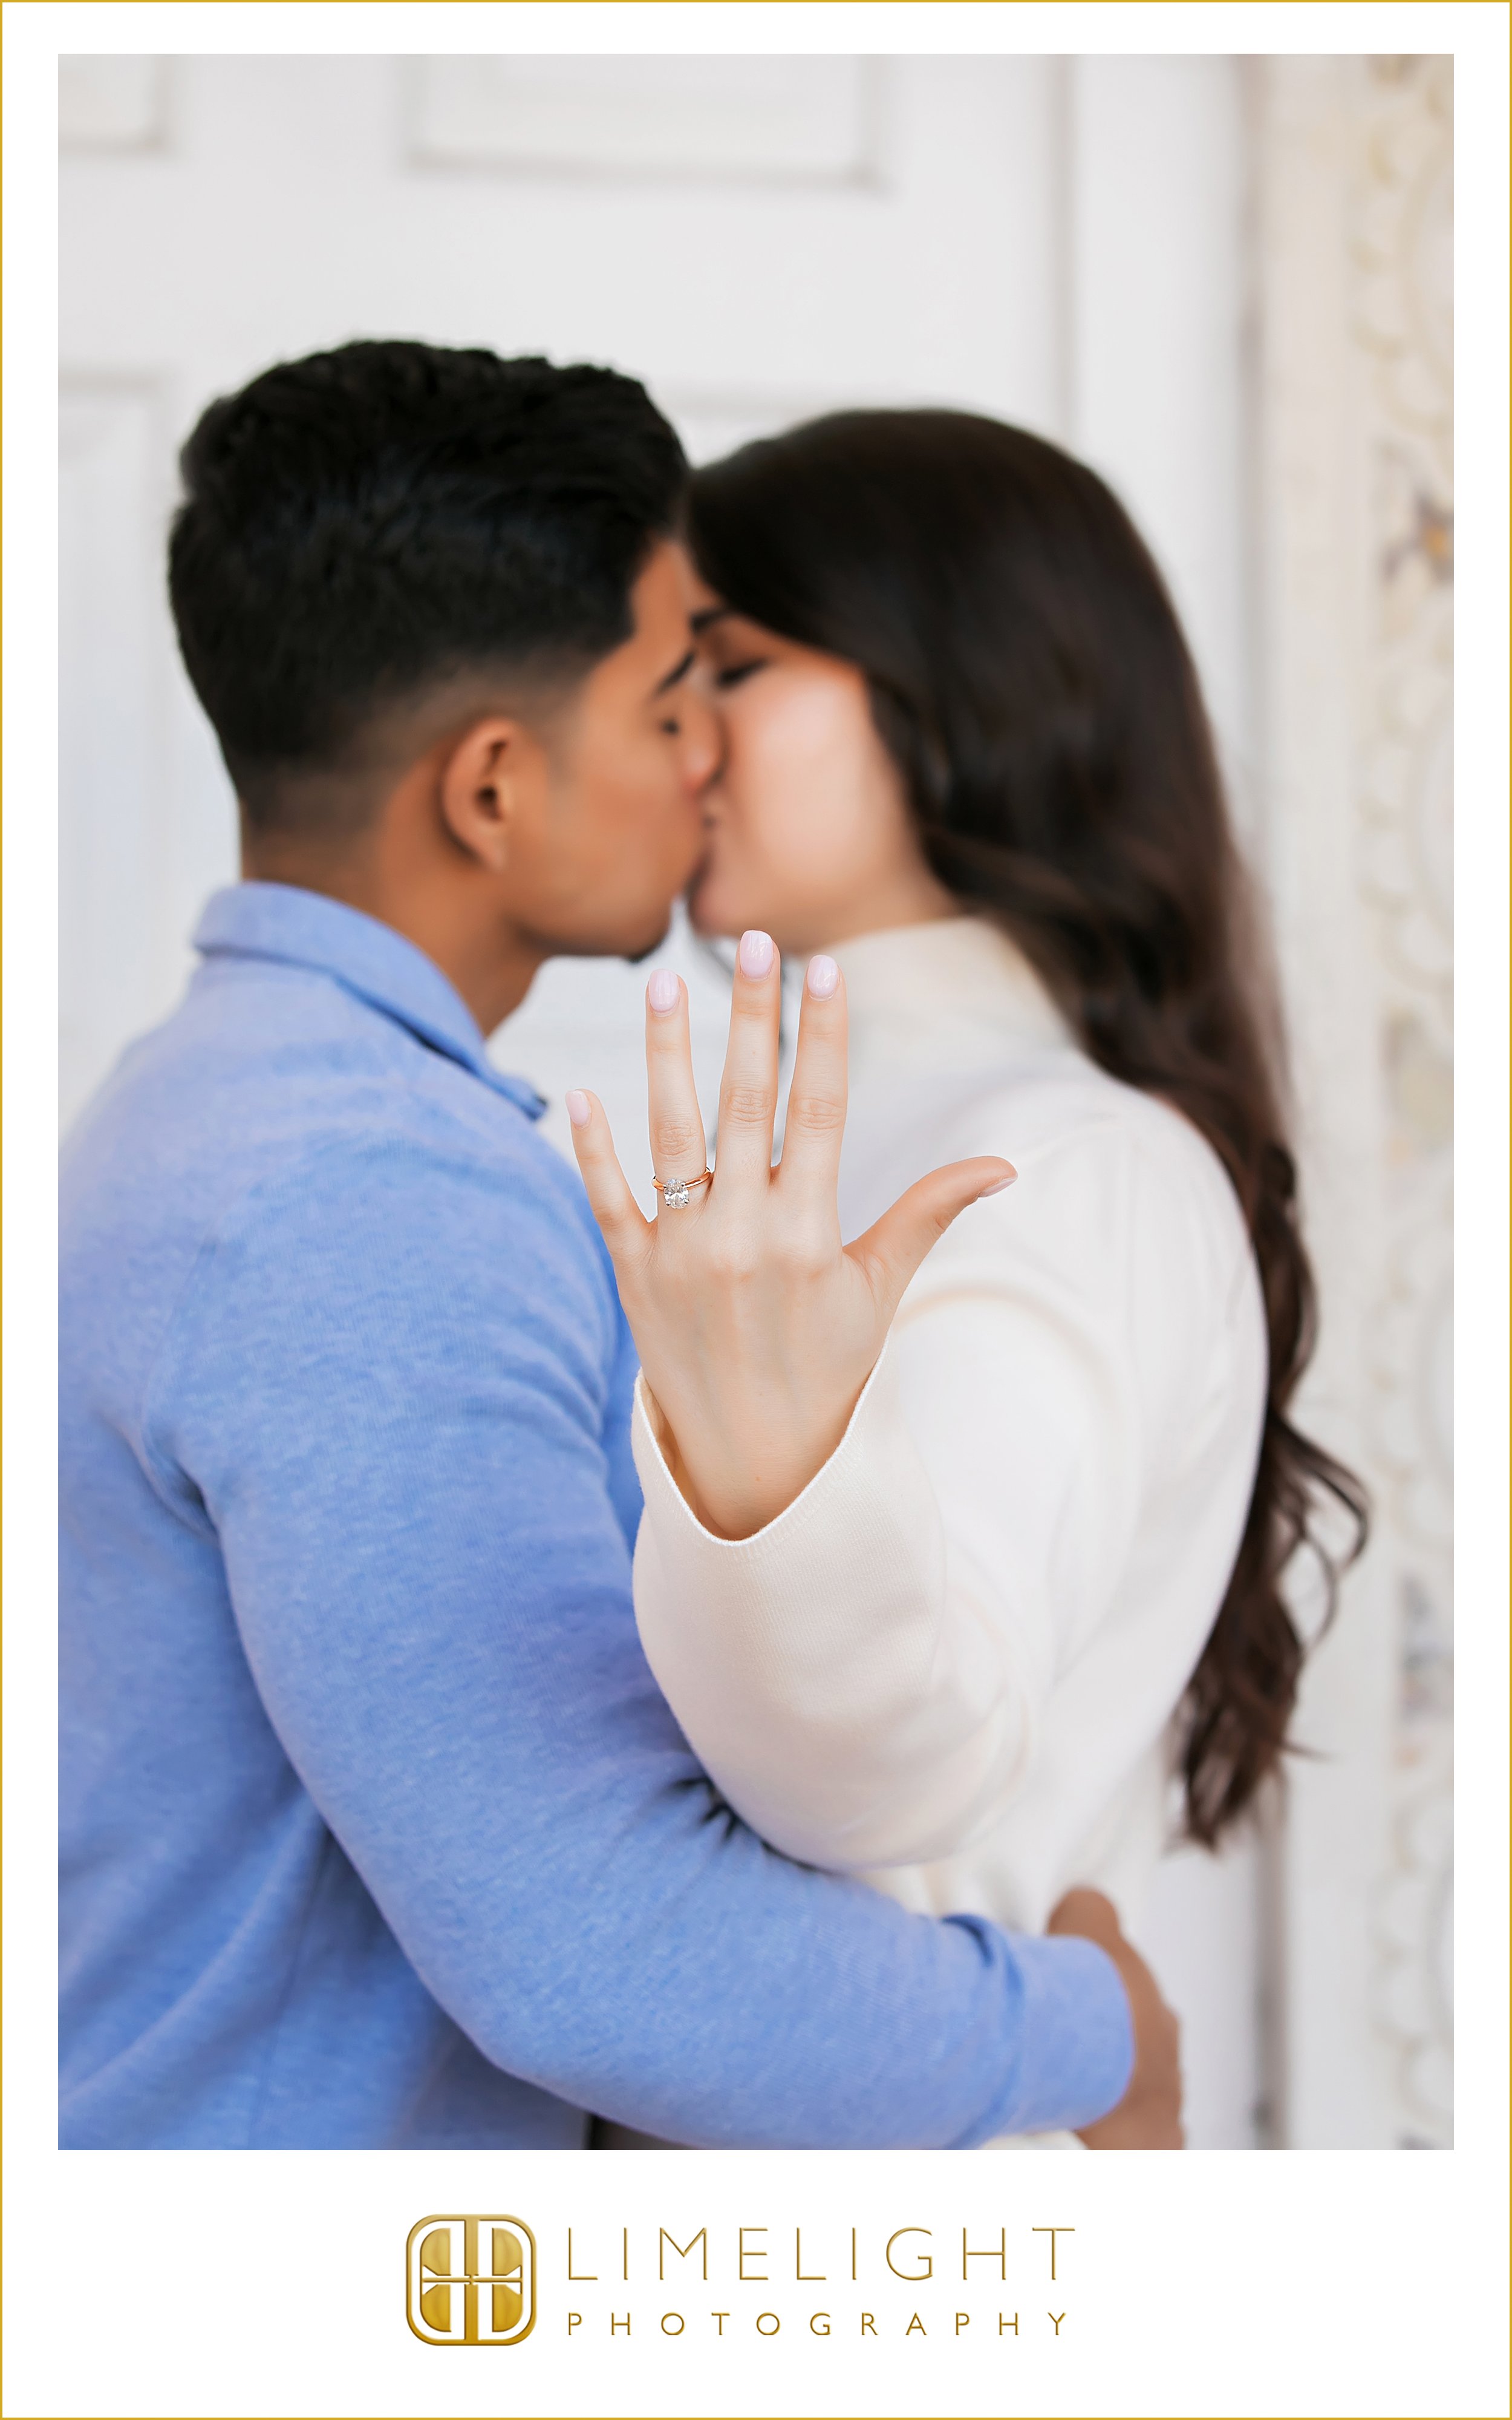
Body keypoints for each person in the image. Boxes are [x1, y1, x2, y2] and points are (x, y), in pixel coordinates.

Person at [59, 342, 1178, 2152]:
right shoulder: (364, 1198)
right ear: (493, 790)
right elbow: (600, 1951)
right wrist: (1082, 2029)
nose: (703, 757)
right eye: (672, 699)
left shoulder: (210, 1102)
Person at [566, 411, 1367, 2142]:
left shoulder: (1058, 1165)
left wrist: (766, 1478)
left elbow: (888, 1784)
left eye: (731, 663)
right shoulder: (852, 1132)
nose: (672, 733)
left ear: (959, 686)